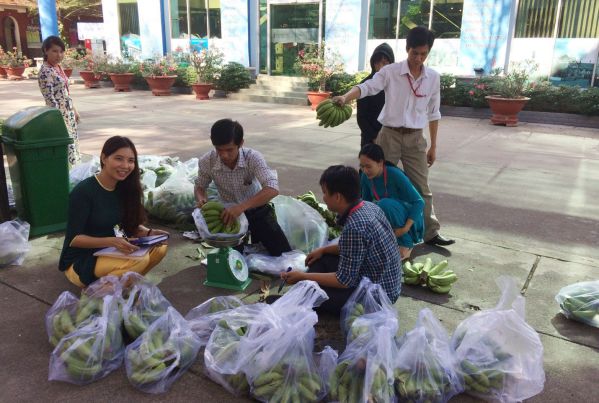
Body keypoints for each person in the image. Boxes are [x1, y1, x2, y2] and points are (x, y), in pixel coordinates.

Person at [333, 26, 454, 247]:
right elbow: (367, 86)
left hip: (416, 138)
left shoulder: (433, 78)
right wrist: (346, 96)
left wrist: (433, 146)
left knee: (421, 187)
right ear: (407, 49)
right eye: (414, 53)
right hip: (388, 135)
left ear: (428, 53)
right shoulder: (391, 72)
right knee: (370, 178)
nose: (418, 58)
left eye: (423, 54)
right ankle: (358, 223)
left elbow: (434, 113)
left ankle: (431, 232)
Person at [281, 165, 401, 315]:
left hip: (377, 297)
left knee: (313, 295)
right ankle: (305, 288)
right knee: (320, 260)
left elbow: (344, 281)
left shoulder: (355, 227)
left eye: (325, 193)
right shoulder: (369, 207)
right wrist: (323, 250)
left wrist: (303, 276)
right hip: (383, 281)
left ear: (338, 197)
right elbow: (353, 248)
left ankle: (301, 296)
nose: (323, 197)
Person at [59, 136, 168, 287]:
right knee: (139, 260)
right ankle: (97, 293)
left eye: (130, 160)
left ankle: (122, 286)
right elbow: (74, 239)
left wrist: (148, 233)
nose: (125, 165)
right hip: (81, 259)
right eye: (119, 159)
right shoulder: (84, 191)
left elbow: (129, 226)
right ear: (104, 158)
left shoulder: (125, 188)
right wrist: (112, 241)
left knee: (160, 248)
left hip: (110, 250)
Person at [194, 119, 291, 256]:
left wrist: (241, 207)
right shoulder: (207, 161)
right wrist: (201, 199)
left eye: (229, 149)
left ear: (240, 143)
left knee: (282, 253)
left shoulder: (253, 158)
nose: (224, 155)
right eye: (219, 149)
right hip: (228, 215)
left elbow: (272, 188)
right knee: (233, 258)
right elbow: (199, 186)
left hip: (257, 210)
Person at [359, 143, 424, 260]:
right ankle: (390, 240)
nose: (365, 170)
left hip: (411, 221)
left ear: (380, 163)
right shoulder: (365, 177)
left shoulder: (394, 174)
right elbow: (365, 204)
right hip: (391, 217)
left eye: (368, 166)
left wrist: (405, 228)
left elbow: (419, 202)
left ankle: (406, 243)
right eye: (362, 166)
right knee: (369, 207)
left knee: (384, 204)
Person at [38, 35, 81, 166]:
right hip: (59, 116)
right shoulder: (45, 71)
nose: (59, 55)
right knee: (66, 147)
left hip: (68, 113)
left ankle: (76, 174)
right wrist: (58, 120)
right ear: (46, 50)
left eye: (61, 51)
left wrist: (74, 109)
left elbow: (66, 92)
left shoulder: (58, 67)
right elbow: (50, 99)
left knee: (73, 145)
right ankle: (68, 177)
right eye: (55, 51)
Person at [357, 43, 394, 147]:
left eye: (385, 63)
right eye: (377, 63)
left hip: (391, 137)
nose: (381, 67)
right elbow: (361, 117)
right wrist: (373, 137)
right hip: (369, 138)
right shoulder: (365, 84)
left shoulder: (396, 84)